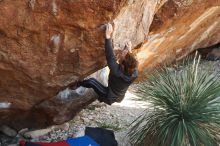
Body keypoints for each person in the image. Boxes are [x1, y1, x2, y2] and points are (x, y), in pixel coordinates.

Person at [72, 23, 138, 105]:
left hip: (109, 96)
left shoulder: (116, 72)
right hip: (120, 96)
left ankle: (78, 84)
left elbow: (110, 55)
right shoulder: (134, 73)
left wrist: (107, 36)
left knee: (91, 82)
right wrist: (129, 50)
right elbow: (131, 61)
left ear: (123, 65)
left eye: (122, 58)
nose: (121, 55)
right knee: (99, 84)